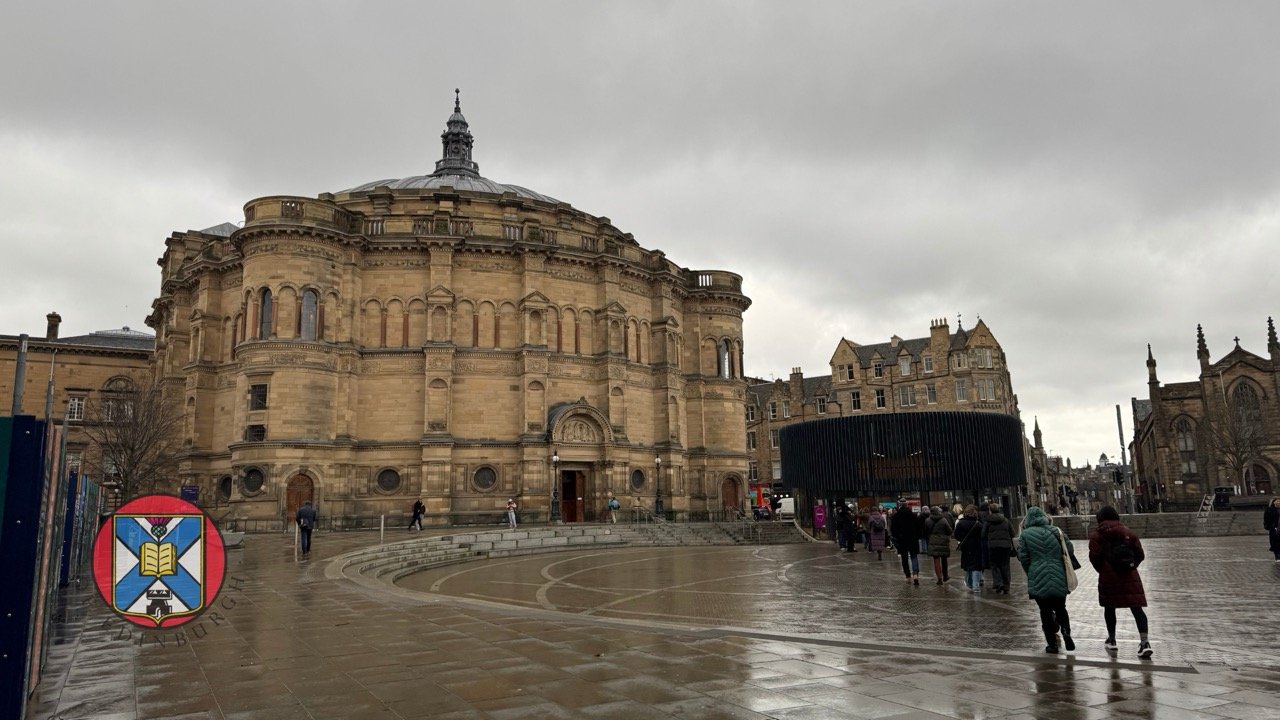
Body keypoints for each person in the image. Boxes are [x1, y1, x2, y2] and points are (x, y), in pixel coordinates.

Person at [1089, 506, 1152, 658]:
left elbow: (1094, 557)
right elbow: (1140, 554)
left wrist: (1103, 569)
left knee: (1109, 608)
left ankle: (1112, 639)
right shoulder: (1128, 532)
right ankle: (1144, 643)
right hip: (1130, 575)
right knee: (1137, 608)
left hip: (1108, 575)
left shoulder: (1097, 535)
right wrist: (1131, 566)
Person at [1016, 506, 1079, 653]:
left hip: (1037, 574)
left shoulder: (1025, 535)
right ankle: (1066, 631)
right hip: (1058, 574)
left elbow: (1023, 558)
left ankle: (1052, 644)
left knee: (1045, 610)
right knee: (1061, 607)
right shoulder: (1057, 531)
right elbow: (1069, 550)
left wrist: (1030, 570)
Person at [983, 503, 1014, 594]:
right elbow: (1013, 533)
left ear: (990, 511)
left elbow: (983, 534)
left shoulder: (988, 521)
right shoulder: (1006, 520)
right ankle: (1006, 585)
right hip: (1005, 546)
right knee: (1005, 565)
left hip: (993, 546)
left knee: (994, 565)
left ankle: (998, 583)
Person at [890, 498, 921, 584]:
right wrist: (916, 536)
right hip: (912, 539)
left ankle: (907, 576)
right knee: (914, 556)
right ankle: (915, 574)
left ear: (899, 506)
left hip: (902, 540)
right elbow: (918, 528)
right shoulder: (913, 516)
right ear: (907, 505)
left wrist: (897, 537)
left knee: (904, 558)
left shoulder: (896, 517)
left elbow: (893, 530)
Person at [953, 505, 983, 592]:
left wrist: (962, 539)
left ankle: (970, 583)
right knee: (976, 566)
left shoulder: (960, 523)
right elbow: (983, 535)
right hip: (977, 546)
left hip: (965, 547)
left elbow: (956, 535)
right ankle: (976, 586)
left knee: (968, 565)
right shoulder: (978, 524)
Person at [926, 506, 952, 584]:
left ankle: (939, 578)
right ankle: (945, 576)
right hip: (943, 541)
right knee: (944, 560)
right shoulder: (943, 520)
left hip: (933, 541)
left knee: (936, 560)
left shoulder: (927, 520)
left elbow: (926, 531)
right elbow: (949, 531)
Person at [1264, 497, 1280, 562]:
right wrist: (1270, 526)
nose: (1279, 502)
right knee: (1276, 543)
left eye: (1279, 501)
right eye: (1277, 501)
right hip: (1274, 529)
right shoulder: (1269, 510)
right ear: (1273, 502)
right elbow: (1266, 519)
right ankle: (1277, 557)